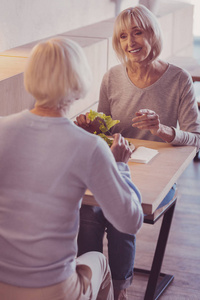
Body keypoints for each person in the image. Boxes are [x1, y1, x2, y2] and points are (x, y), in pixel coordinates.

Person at [0, 37, 144, 300]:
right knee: (100, 261)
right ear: (79, 79)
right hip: (52, 289)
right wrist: (121, 166)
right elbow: (130, 221)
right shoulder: (88, 146)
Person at [75, 5, 200, 300]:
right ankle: (94, 284)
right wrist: (91, 126)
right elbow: (105, 132)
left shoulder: (179, 79)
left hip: (159, 179)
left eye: (137, 33)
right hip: (117, 167)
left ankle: (119, 290)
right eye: (122, 37)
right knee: (88, 212)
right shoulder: (112, 77)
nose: (130, 42)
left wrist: (163, 130)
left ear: (152, 34)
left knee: (120, 215)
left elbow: (196, 138)